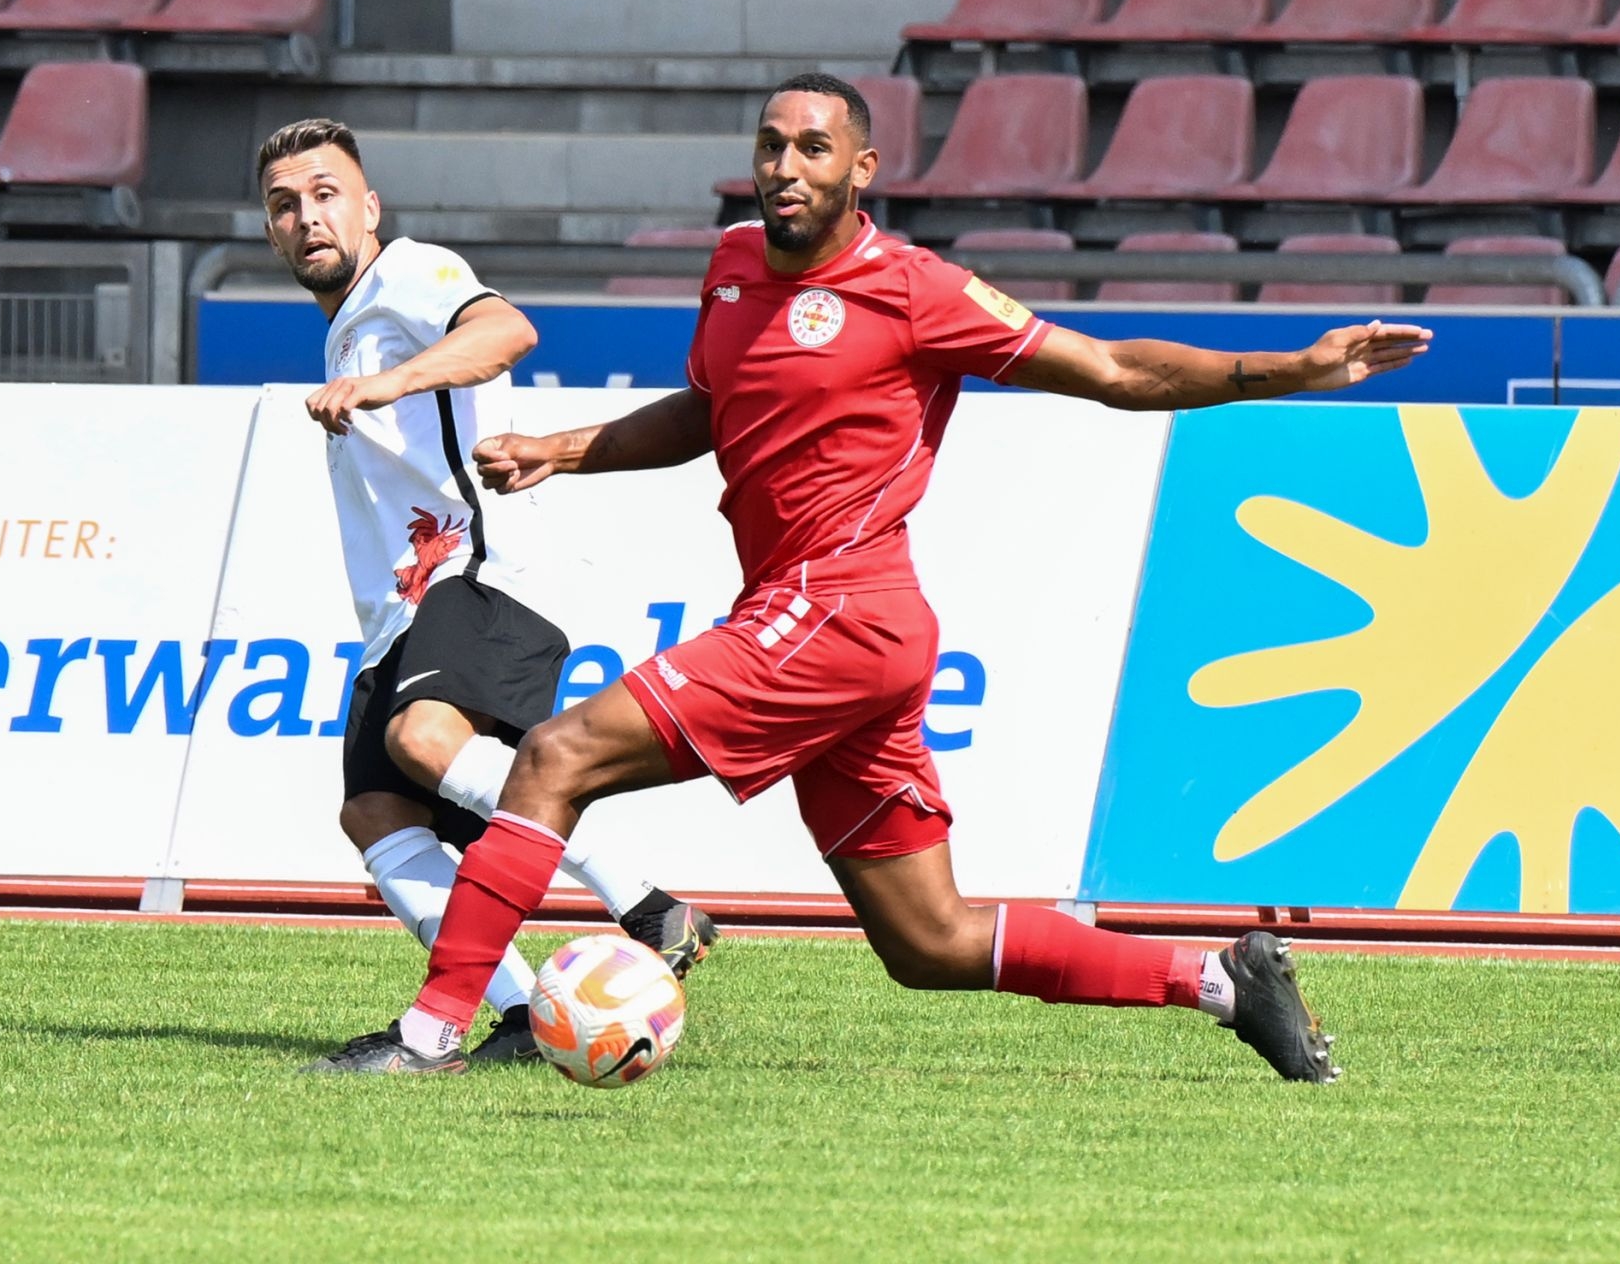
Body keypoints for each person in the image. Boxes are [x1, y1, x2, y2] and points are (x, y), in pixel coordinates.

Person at [317, 75, 1432, 1080]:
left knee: (556, 757)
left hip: (840, 610)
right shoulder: (733, 268)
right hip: (828, 631)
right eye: (770, 146)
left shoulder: (914, 288)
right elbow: (710, 409)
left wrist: (1290, 366)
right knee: (928, 940)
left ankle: (432, 1031)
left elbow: (1109, 367)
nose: (785, 168)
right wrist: (565, 449)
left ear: (863, 168)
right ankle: (1223, 983)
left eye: (813, 149)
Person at [254, 118, 718, 1070]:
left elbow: (507, 331)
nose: (308, 217)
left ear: (370, 207)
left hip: (482, 570)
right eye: (285, 205)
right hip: (408, 608)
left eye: (326, 194)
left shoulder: (408, 271)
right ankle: (515, 1013)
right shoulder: (347, 326)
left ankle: (646, 906)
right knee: (377, 814)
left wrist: (389, 383)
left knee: (423, 739)